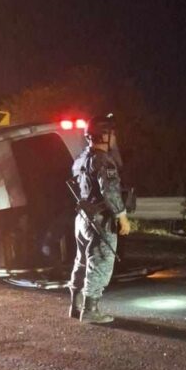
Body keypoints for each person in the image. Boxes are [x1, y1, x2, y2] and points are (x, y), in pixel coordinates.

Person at [68, 114, 131, 324]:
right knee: (101, 262)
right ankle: (90, 310)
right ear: (104, 135)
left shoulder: (81, 159)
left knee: (82, 261)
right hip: (101, 218)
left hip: (83, 217)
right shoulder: (103, 159)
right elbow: (110, 192)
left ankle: (75, 306)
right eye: (112, 133)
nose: (114, 138)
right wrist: (122, 218)